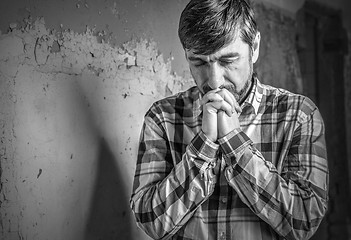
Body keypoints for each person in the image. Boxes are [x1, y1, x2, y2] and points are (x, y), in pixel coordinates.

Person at [130, 0, 329, 239]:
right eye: (199, 62)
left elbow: (304, 221)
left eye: (227, 60)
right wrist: (204, 146)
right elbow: (150, 221)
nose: (214, 81)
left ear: (254, 47)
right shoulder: (162, 117)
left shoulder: (299, 115)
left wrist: (235, 143)